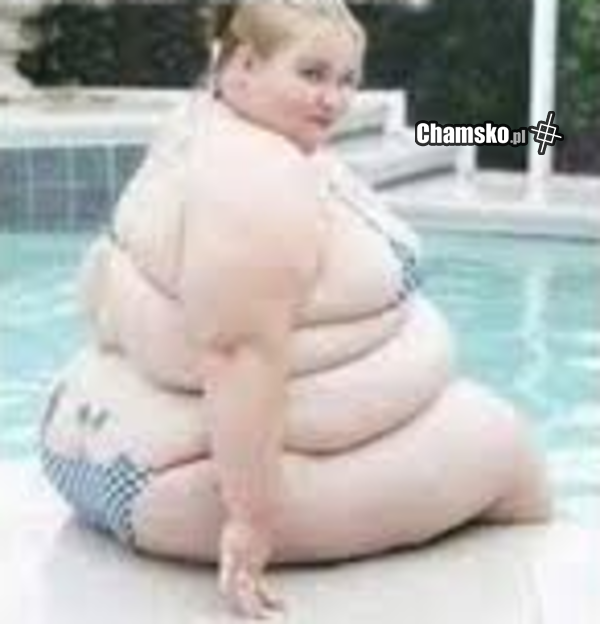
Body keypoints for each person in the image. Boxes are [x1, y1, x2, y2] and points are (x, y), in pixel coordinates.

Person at [39, 0, 551, 619]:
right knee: (506, 450)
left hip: (104, 441)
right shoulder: (259, 177)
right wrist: (250, 521)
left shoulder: (203, 125)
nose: (333, 99)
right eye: (311, 74)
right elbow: (237, 352)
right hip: (178, 483)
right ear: (242, 66)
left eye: (347, 80)